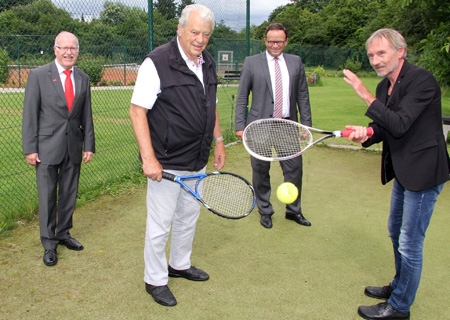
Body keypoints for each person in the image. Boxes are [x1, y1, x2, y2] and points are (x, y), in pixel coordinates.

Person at [343, 28, 450, 320]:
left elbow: (400, 124)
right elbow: (384, 127)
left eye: (381, 53)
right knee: (395, 231)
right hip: (404, 170)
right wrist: (366, 133)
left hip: (425, 171)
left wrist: (363, 94)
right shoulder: (384, 88)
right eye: (371, 55)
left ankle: (400, 306)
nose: (375, 60)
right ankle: (399, 285)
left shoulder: (422, 80)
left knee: (410, 241)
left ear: (400, 51)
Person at [129, 4, 225, 307]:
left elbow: (212, 104)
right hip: (167, 162)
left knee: (188, 218)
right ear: (180, 29)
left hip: (197, 159)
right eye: (194, 32)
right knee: (160, 226)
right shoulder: (156, 62)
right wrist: (149, 158)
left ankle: (179, 264)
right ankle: (155, 280)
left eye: (206, 34)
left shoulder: (207, 61)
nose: (200, 39)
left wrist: (218, 140)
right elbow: (137, 110)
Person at [22, 31, 95, 267]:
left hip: (73, 147)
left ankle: (63, 233)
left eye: (73, 48)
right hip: (46, 148)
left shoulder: (82, 78)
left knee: (68, 196)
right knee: (47, 198)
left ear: (77, 51)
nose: (68, 52)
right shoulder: (39, 75)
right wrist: (30, 149)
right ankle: (49, 243)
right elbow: (30, 115)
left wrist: (89, 145)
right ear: (55, 49)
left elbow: (86, 115)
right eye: (64, 48)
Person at [235, 23, 312, 229]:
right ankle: (265, 210)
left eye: (279, 41)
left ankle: (293, 211)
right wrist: (240, 126)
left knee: (294, 169)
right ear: (265, 41)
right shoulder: (252, 62)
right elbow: (242, 96)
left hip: (287, 125)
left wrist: (306, 125)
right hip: (258, 126)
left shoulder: (296, 62)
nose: (275, 45)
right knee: (260, 170)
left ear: (286, 41)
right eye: (271, 41)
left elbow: (303, 95)